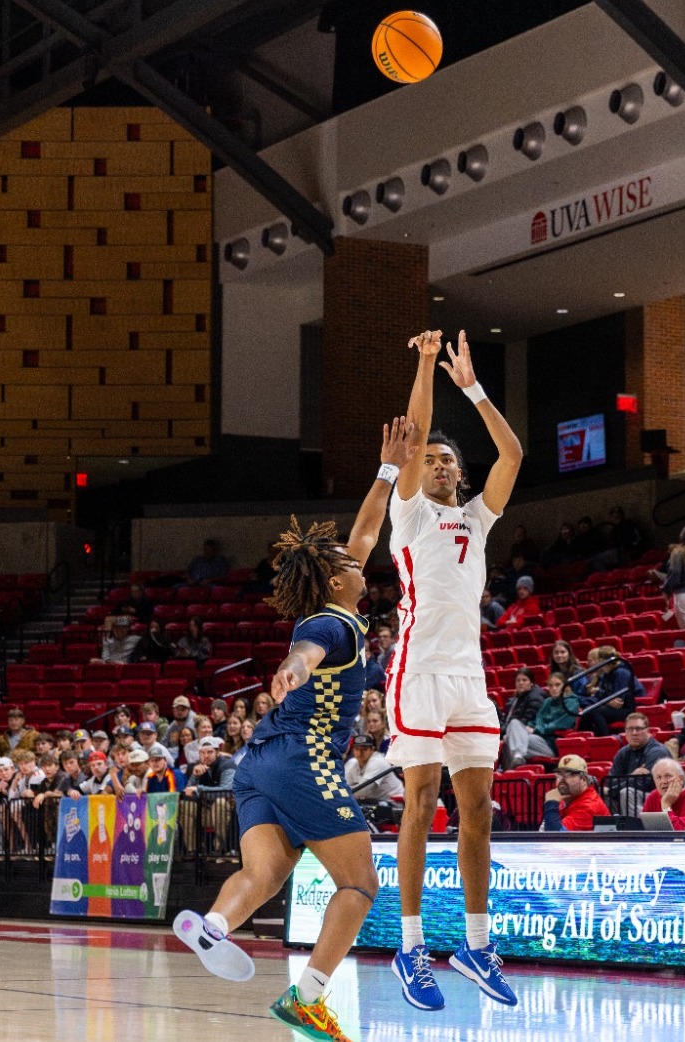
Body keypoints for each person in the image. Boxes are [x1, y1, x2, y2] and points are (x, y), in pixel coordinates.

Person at [172, 417, 407, 1041]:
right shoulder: (334, 624)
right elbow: (305, 652)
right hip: (304, 760)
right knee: (360, 882)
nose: (363, 562)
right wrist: (292, 669)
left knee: (267, 873)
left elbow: (365, 530)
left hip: (258, 764)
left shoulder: (336, 603)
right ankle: (308, 997)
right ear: (336, 581)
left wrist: (387, 470)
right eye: (351, 564)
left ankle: (214, 926)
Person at [384, 330, 524, 1011]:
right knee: (420, 803)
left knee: (478, 813)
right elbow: (410, 438)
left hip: (470, 678)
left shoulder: (477, 517)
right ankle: (410, 947)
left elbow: (513, 454)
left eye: (448, 461)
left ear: (460, 475)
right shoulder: (409, 513)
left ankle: (475, 944)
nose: (439, 465)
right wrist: (423, 363)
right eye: (432, 459)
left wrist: (474, 389)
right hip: (419, 671)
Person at [605, 712, 668, 814]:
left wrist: (611, 790)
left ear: (647, 730)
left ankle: (635, 825)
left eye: (638, 729)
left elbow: (643, 784)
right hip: (630, 796)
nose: (634, 733)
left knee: (627, 792)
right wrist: (632, 776)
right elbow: (610, 782)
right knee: (603, 796)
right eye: (630, 729)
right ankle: (615, 824)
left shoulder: (657, 751)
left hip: (658, 797)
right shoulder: (623, 752)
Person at [573, 643, 636, 737]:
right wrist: (606, 699)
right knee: (586, 711)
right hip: (610, 707)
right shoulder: (606, 674)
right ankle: (585, 739)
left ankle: (605, 738)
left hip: (626, 710)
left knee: (595, 711)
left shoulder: (622, 673)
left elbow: (618, 701)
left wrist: (604, 698)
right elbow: (602, 695)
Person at [538, 755, 611, 832]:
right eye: (559, 774)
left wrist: (551, 804)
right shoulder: (565, 798)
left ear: (584, 779)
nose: (562, 779)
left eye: (569, 774)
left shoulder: (588, 806)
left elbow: (556, 836)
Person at [499, 668, 547, 769]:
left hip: (534, 736)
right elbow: (505, 721)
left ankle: (514, 763)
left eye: (524, 680)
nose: (521, 683)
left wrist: (503, 731)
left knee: (512, 728)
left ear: (531, 683)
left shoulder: (535, 697)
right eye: (518, 680)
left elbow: (525, 721)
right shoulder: (513, 700)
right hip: (515, 734)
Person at [528, 673, 580, 763]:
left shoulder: (572, 702)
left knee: (521, 740)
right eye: (551, 686)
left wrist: (536, 730)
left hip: (554, 743)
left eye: (557, 685)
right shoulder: (547, 702)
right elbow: (538, 719)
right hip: (539, 738)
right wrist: (528, 726)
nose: (554, 688)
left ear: (565, 686)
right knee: (509, 738)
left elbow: (560, 725)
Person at [344, 733, 402, 802]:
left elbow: (363, 790)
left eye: (364, 749)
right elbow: (343, 785)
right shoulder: (351, 763)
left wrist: (342, 792)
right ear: (353, 750)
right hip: (375, 801)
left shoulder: (378, 762)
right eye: (357, 749)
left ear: (372, 750)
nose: (360, 753)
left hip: (395, 802)